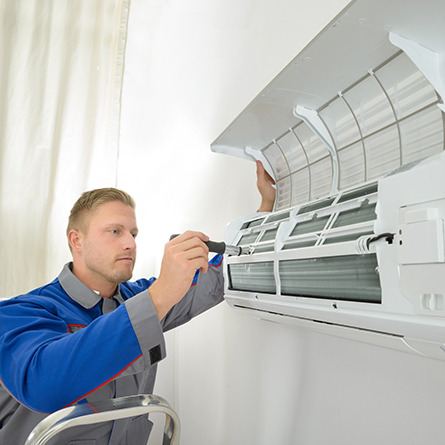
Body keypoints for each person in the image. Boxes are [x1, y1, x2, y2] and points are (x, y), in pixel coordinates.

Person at [0, 161, 275, 445]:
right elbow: (44, 384)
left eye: (133, 233)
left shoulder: (139, 299)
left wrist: (266, 205)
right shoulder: (19, 313)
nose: (130, 243)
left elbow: (218, 276)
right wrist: (160, 295)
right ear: (76, 241)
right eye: (115, 231)